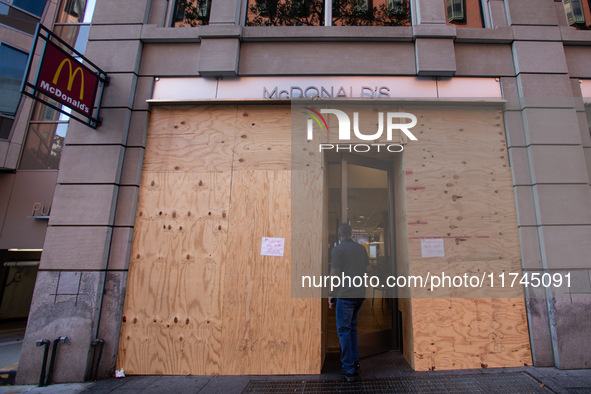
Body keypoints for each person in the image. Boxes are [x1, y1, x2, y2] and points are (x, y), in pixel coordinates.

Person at [328, 223, 369, 382]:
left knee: (344, 330)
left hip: (345, 295)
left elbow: (334, 273)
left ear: (339, 234)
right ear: (351, 234)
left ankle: (348, 368)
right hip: (359, 294)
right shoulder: (361, 249)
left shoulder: (338, 250)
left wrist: (331, 294)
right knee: (352, 328)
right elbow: (367, 269)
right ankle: (354, 363)